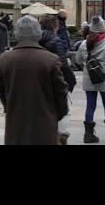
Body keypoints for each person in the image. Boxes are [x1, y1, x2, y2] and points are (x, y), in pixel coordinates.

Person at [0, 15, 69, 145]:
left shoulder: (5, 59)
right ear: (38, 33)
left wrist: (9, 106)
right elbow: (61, 91)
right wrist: (57, 114)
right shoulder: (50, 59)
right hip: (45, 120)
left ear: (17, 34)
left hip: (16, 121)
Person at [76, 16, 105, 143]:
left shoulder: (84, 43)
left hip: (89, 78)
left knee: (90, 106)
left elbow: (78, 60)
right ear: (103, 30)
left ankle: (88, 134)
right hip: (104, 79)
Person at [38, 14, 76, 145]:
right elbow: (63, 64)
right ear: (54, 26)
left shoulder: (35, 40)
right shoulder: (56, 40)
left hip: (39, 82)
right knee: (63, 111)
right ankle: (60, 137)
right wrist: (71, 81)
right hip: (55, 81)